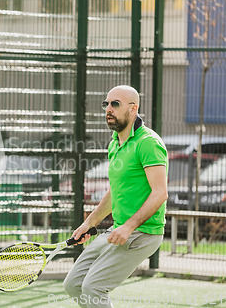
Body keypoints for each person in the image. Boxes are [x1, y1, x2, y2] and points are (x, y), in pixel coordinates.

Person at [63, 85, 168, 308]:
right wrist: (88, 224)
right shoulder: (115, 143)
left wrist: (128, 227)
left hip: (143, 234)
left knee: (93, 288)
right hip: (118, 229)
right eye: (106, 104)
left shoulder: (148, 143)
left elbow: (160, 193)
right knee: (73, 284)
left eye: (115, 104)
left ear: (133, 109)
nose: (108, 109)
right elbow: (114, 192)